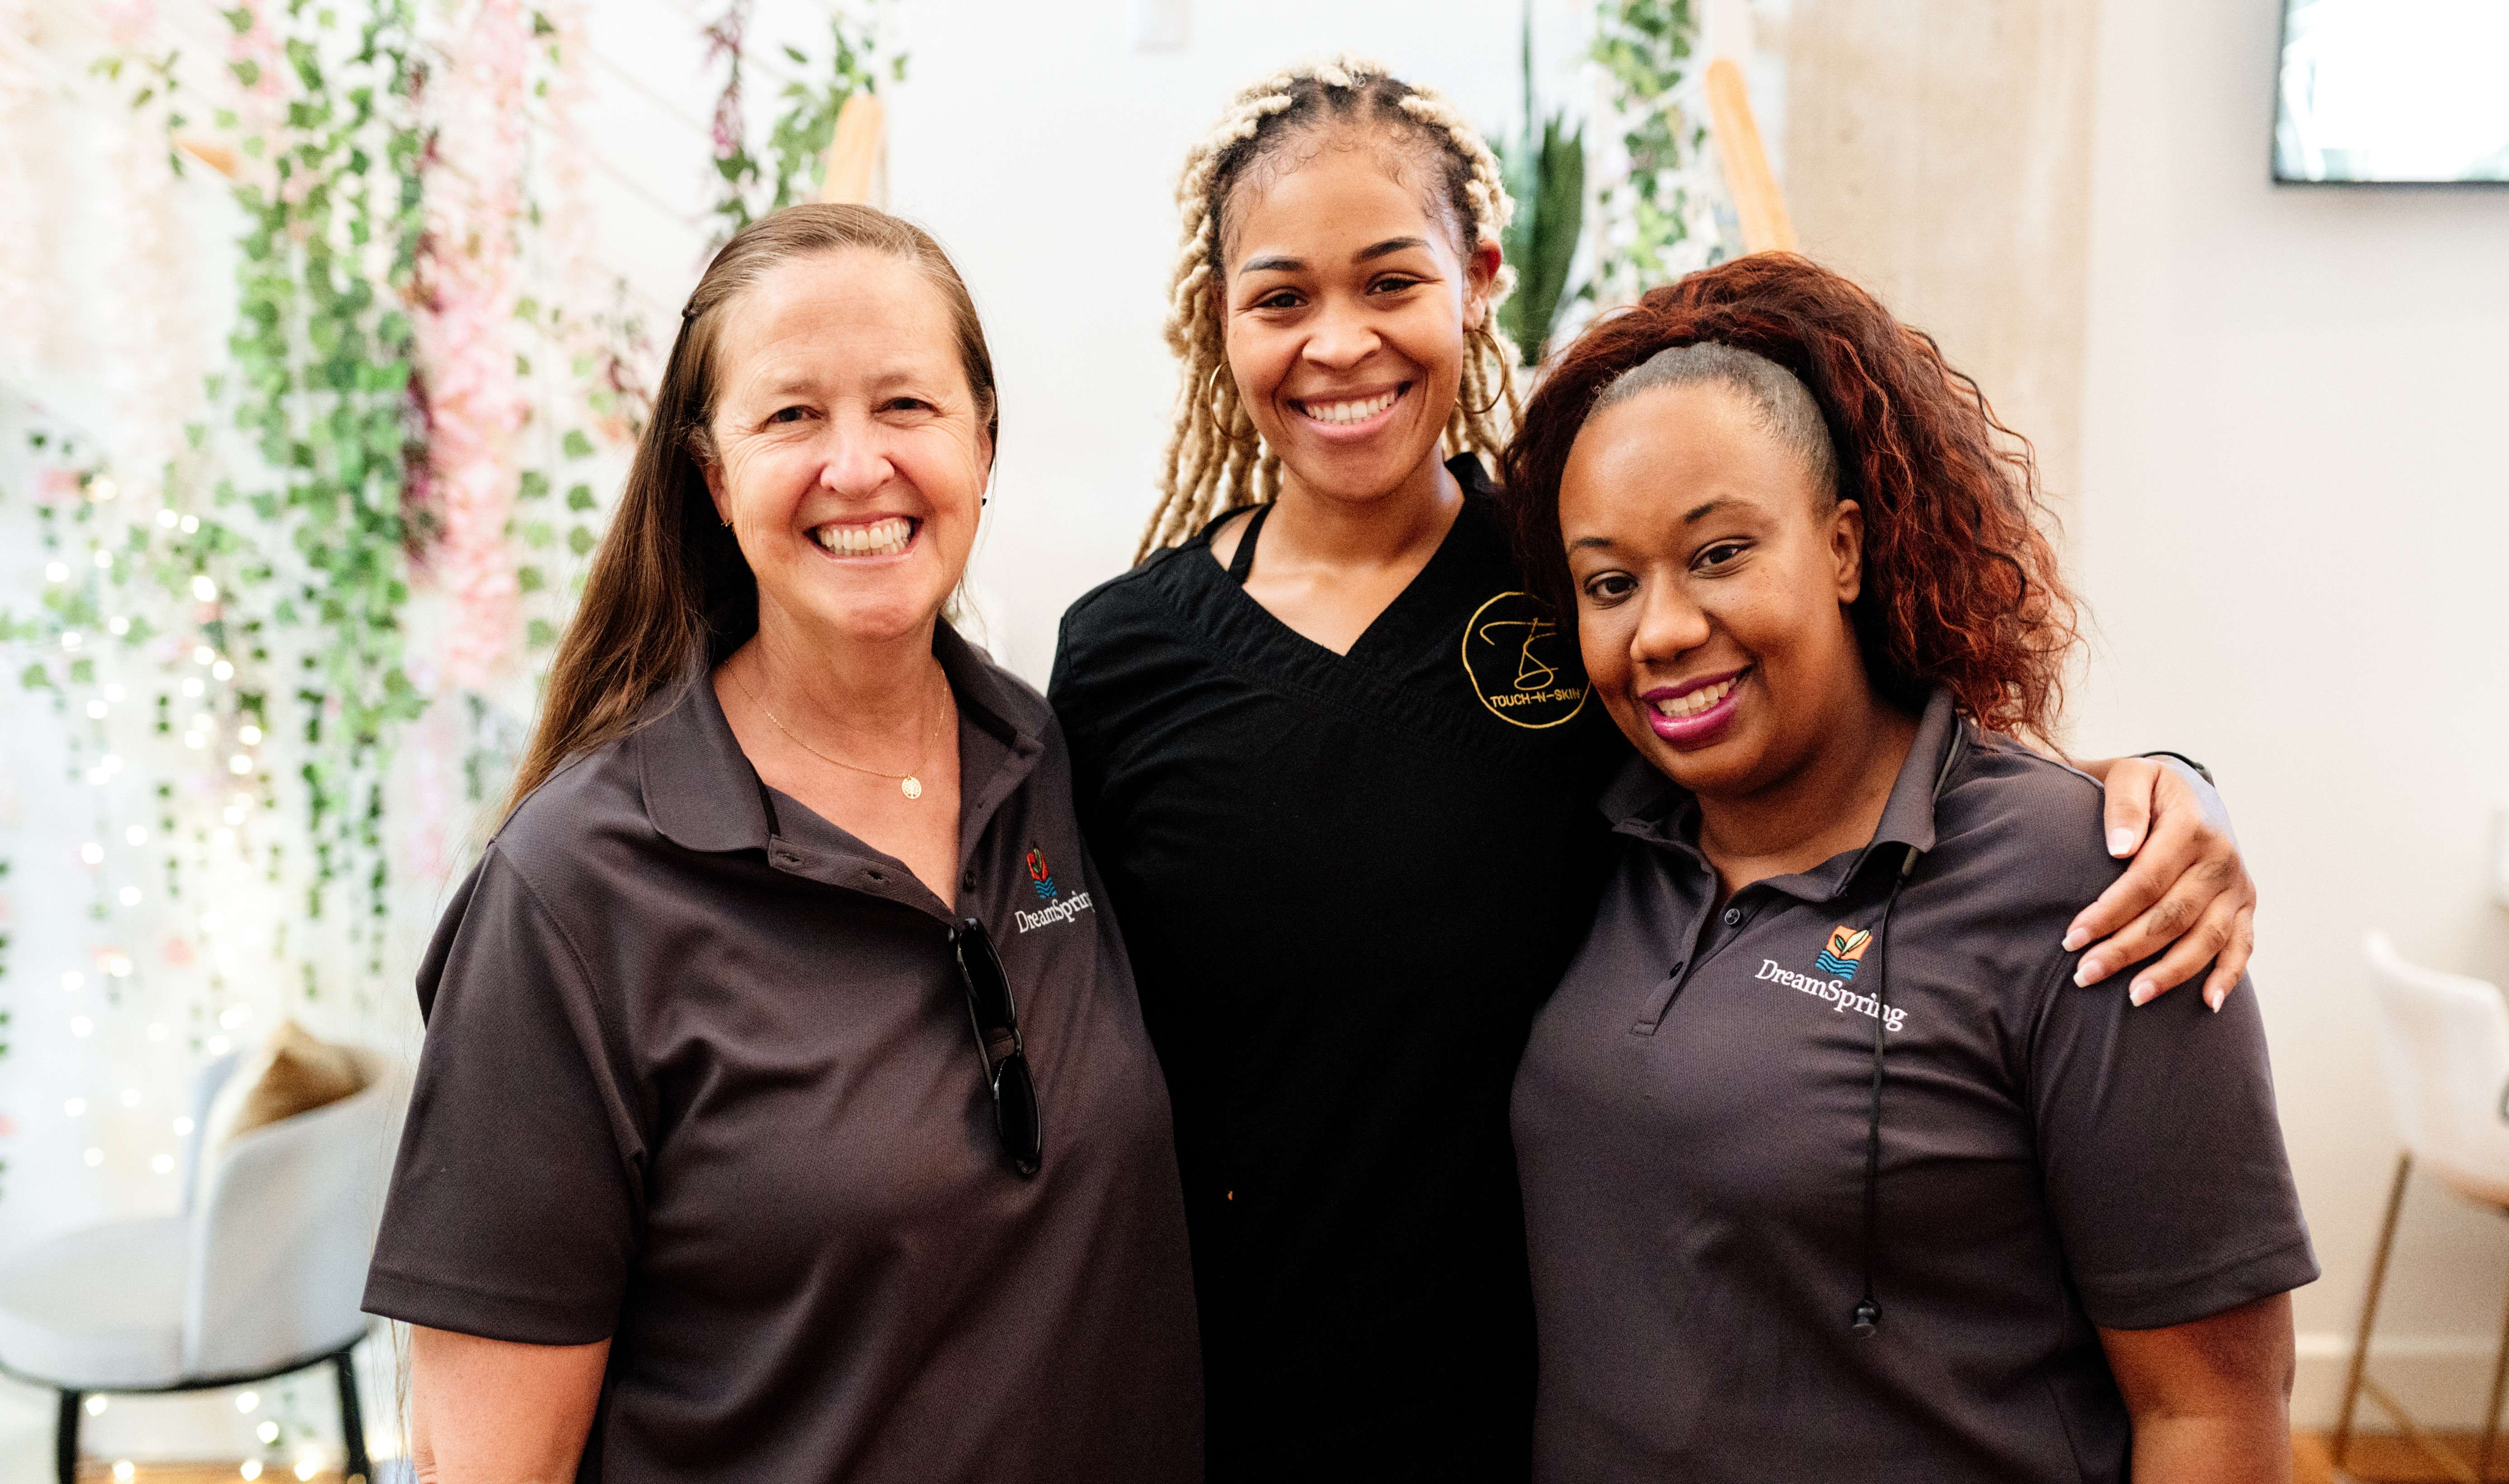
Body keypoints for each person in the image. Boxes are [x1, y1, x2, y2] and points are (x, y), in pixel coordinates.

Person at [1050, 57, 2261, 1480]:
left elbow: (1853, 747)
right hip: (1228, 1394)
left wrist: (2148, 789)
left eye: (1390, 282)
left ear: (1478, 277)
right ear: (1218, 321)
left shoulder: (1578, 592)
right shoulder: (1120, 658)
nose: (1340, 343)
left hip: (1538, 1398)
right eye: (1282, 297)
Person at [362, 205, 1201, 1483]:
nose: (857, 468)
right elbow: (486, 1463)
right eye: (792, 416)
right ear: (712, 475)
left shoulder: (1046, 760)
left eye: (907, 406)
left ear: (985, 443)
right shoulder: (575, 890)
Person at [1503, 254, 2313, 1483]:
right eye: (1612, 583)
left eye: (1719, 554)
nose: (1662, 630)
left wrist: (2182, 785)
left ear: (1843, 549)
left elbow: (2213, 1409)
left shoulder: (2094, 887)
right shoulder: (1593, 849)